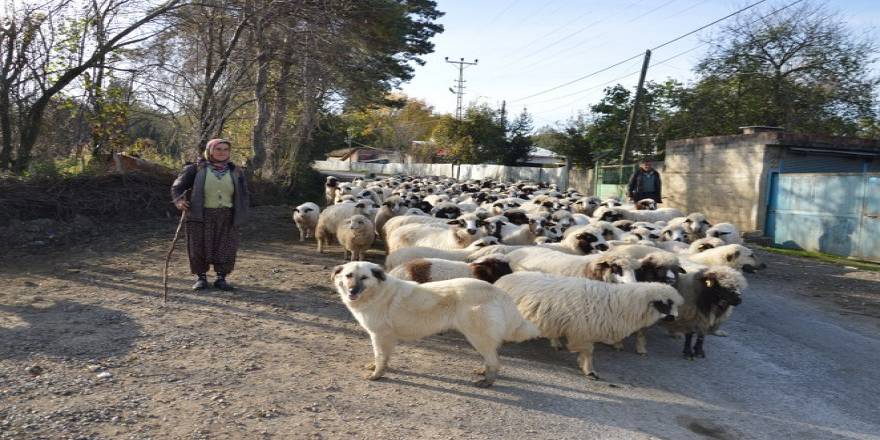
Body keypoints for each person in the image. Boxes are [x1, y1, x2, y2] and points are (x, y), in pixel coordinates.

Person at [171, 138, 249, 291]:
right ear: (209, 151)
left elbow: (244, 192)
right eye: (218, 149)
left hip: (227, 215)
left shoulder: (236, 171)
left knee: (226, 246)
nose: (222, 152)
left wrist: (242, 210)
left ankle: (221, 279)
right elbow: (177, 187)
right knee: (198, 246)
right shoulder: (195, 168)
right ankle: (201, 278)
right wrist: (179, 201)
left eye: (225, 149)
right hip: (200, 214)